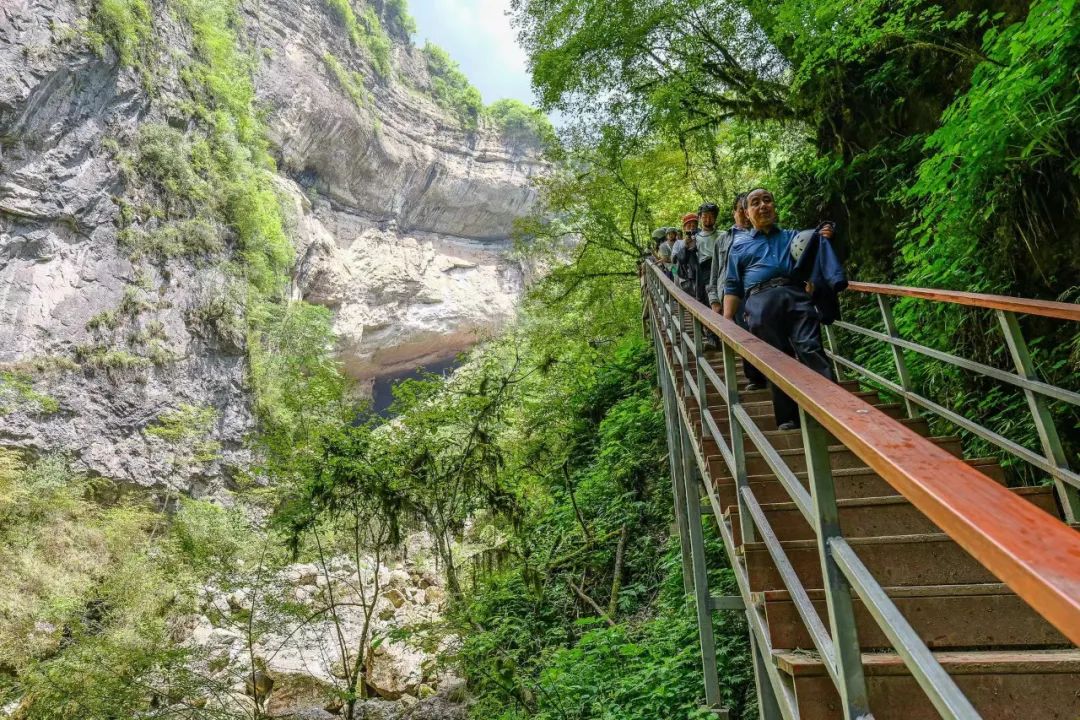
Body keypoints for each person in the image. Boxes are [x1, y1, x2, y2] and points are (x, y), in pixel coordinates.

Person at [722, 188, 837, 430]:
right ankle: (789, 418)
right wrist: (727, 318)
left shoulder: (794, 236)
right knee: (776, 357)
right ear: (746, 213)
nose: (763, 205)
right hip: (759, 301)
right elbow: (732, 285)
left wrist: (825, 235)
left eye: (767, 200)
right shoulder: (739, 246)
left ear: (774, 206)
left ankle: (834, 410)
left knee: (810, 347)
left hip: (795, 295)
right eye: (755, 203)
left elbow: (816, 249)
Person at [706, 193, 768, 389]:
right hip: (732, 295)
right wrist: (715, 300)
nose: (742, 213)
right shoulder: (723, 240)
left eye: (745, 208)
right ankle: (755, 378)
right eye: (739, 209)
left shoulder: (760, 234)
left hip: (757, 290)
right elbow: (715, 273)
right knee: (745, 335)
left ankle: (774, 377)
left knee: (764, 333)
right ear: (734, 213)